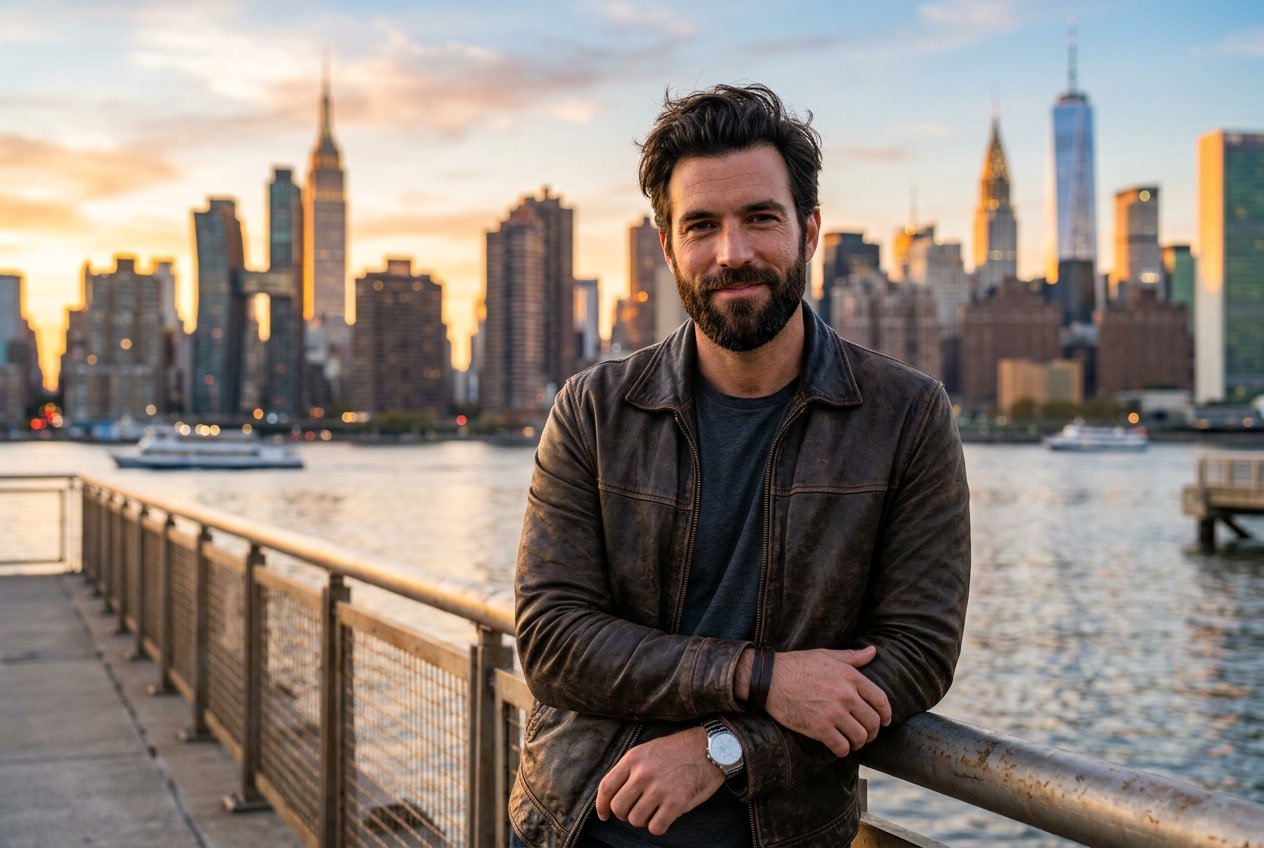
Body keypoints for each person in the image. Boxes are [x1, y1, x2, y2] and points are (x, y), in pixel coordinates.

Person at [511, 83, 970, 848]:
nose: (734, 253)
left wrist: (725, 750)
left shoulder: (907, 416)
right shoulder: (592, 410)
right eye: (702, 226)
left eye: (761, 218)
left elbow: (915, 655)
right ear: (667, 248)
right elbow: (553, 639)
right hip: (573, 830)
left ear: (810, 231)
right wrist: (763, 678)